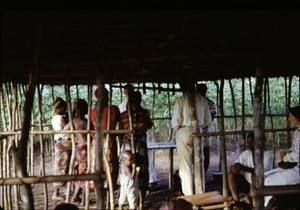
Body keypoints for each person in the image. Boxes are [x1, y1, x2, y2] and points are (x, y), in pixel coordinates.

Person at [171, 80, 212, 196]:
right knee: (199, 162)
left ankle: (189, 195)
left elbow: (175, 123)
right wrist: (198, 125)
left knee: (185, 166)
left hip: (184, 131)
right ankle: (201, 191)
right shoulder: (203, 100)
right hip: (198, 131)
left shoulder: (181, 100)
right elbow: (208, 120)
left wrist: (182, 127)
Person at [119, 83, 159, 191]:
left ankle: (131, 187)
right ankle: (136, 189)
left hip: (131, 142)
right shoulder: (144, 113)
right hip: (139, 142)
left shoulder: (123, 114)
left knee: (132, 165)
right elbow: (149, 125)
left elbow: (120, 130)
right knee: (140, 166)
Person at [119, 91, 153, 209]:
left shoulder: (142, 114)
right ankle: (135, 200)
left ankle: (139, 201)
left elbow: (149, 125)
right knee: (134, 171)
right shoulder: (124, 115)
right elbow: (149, 125)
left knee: (140, 172)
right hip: (131, 145)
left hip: (137, 145)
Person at [264, 105, 300, 207]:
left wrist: (285, 157)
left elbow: (298, 155)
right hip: (295, 167)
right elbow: (294, 150)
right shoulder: (297, 132)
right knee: (265, 176)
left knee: (267, 182)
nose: (289, 119)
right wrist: (285, 152)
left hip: (298, 170)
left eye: (291, 116)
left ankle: (269, 206)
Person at [228, 133, 273, 209]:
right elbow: (235, 164)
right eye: (248, 143)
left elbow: (262, 172)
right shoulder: (245, 154)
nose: (249, 145)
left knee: (254, 176)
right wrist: (234, 167)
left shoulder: (267, 155)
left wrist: (243, 168)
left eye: (252, 143)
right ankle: (237, 203)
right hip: (248, 186)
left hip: (262, 186)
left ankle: (257, 201)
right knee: (231, 174)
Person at [90, 87, 120, 191]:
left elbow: (90, 129)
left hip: (96, 141)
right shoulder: (113, 109)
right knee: (110, 164)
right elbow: (117, 122)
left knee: (98, 165)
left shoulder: (92, 111)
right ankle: (109, 187)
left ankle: (99, 187)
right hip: (109, 140)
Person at [63, 98, 90, 205]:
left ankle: (76, 196)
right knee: (86, 173)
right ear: (82, 109)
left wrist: (75, 136)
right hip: (85, 150)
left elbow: (65, 130)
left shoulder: (73, 121)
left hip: (78, 148)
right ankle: (82, 199)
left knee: (81, 173)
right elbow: (92, 135)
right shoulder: (85, 121)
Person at [51, 97, 71, 200]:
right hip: (64, 144)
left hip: (59, 143)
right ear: (60, 108)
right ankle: (56, 193)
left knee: (59, 168)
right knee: (62, 169)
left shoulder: (54, 117)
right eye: (65, 108)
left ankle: (57, 191)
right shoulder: (61, 118)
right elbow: (68, 130)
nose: (66, 110)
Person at [196, 83, 216, 173]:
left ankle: (201, 173)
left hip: (200, 130)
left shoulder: (194, 103)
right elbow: (211, 117)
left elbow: (211, 117)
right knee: (205, 152)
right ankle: (203, 173)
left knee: (199, 152)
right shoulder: (210, 102)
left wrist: (200, 124)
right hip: (206, 129)